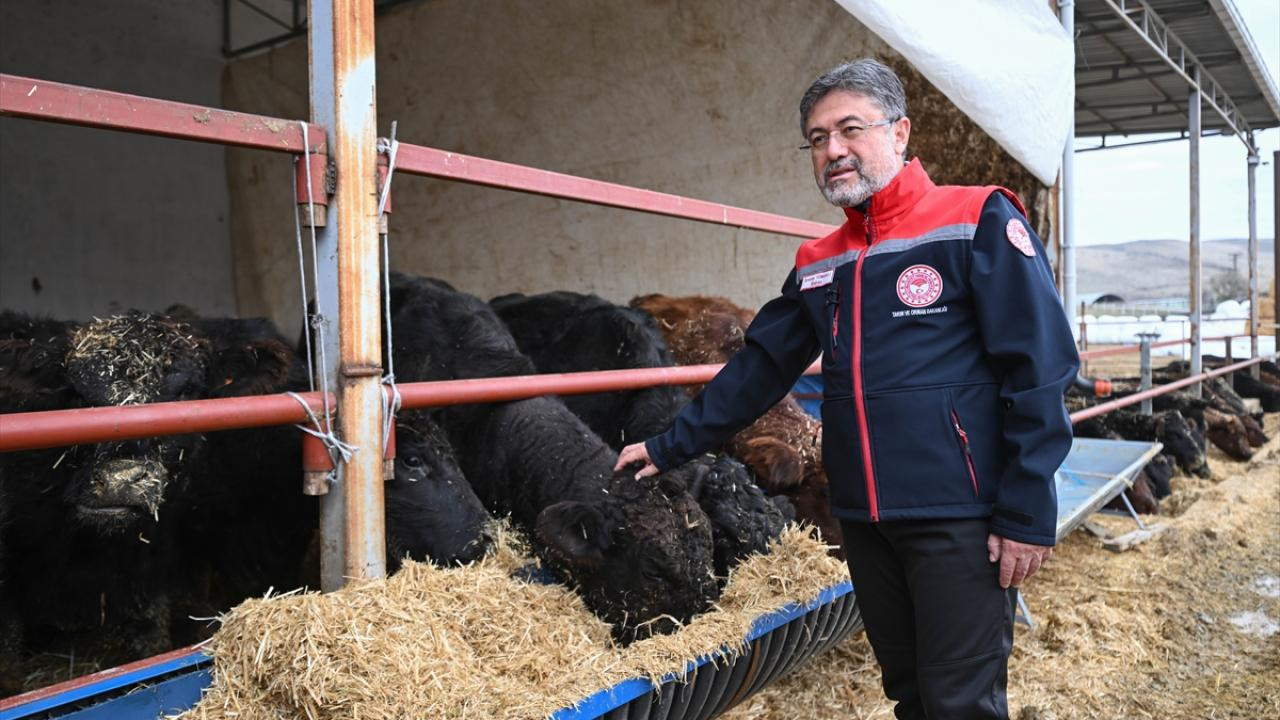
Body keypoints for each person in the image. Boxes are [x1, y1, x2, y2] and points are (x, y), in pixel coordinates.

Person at [615, 59, 1079, 719]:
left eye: (849, 129)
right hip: (863, 519)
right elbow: (760, 367)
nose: (832, 150)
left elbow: (1041, 368)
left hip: (958, 516)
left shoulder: (973, 219)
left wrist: (1028, 509)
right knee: (912, 695)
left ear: (900, 132)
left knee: (961, 705)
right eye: (816, 138)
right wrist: (669, 446)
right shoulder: (818, 260)